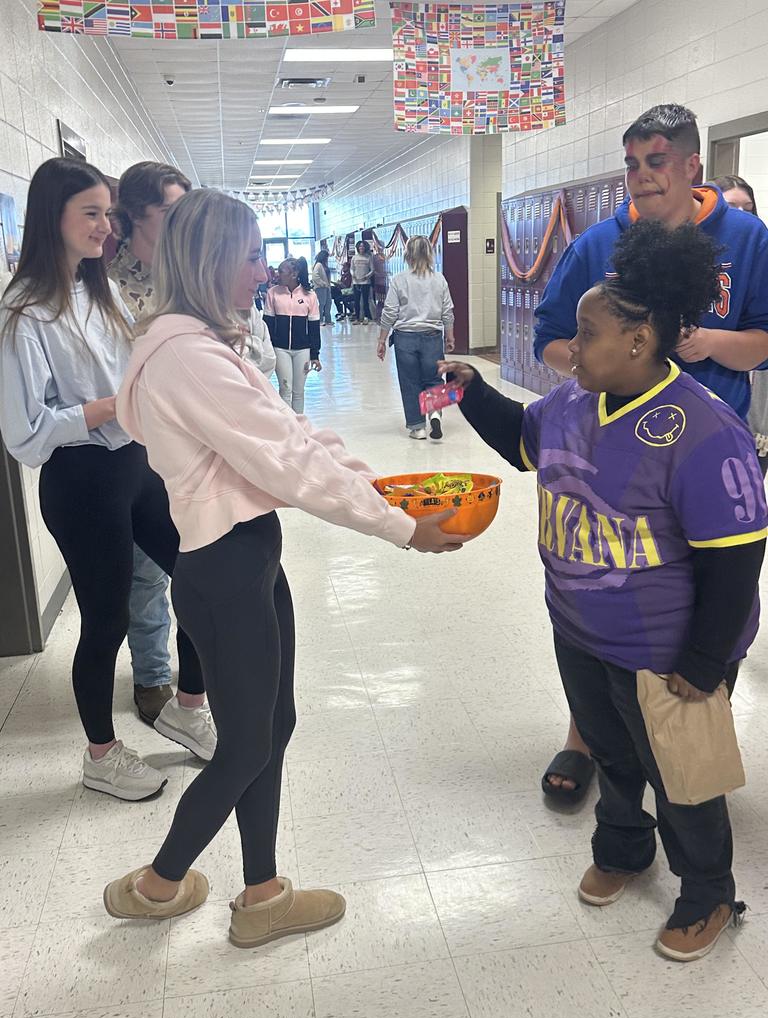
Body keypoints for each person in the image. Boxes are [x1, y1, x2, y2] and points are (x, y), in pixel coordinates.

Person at [104, 188, 470, 946]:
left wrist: (378, 489)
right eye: (249, 256)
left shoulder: (206, 345)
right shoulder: (185, 356)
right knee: (246, 743)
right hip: (224, 568)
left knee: (274, 725)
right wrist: (401, 527)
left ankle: (263, 892)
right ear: (207, 261)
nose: (263, 271)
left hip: (248, 557)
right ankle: (158, 885)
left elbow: (293, 432)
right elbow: (287, 461)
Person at [444, 218, 767, 962]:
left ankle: (709, 890)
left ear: (639, 341)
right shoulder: (572, 403)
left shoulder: (702, 430)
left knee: (681, 778)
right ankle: (623, 848)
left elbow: (735, 560)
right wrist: (474, 393)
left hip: (664, 651)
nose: (569, 346)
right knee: (615, 757)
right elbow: (524, 441)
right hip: (580, 630)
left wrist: (704, 661)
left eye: (586, 334)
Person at [533, 104, 768, 802]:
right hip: (614, 461)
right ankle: (588, 736)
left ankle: (691, 745)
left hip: (707, 458)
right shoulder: (597, 245)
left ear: (693, 165)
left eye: (656, 161)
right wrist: (599, 370)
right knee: (603, 591)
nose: (641, 176)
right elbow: (551, 339)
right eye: (632, 163)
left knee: (710, 599)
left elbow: (764, 338)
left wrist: (707, 345)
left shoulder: (745, 239)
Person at [0, 158, 216, 801]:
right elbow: (24, 433)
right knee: (106, 619)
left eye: (107, 214)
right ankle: (101, 754)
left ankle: (188, 706)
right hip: (81, 479)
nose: (104, 227)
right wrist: (107, 407)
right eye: (90, 214)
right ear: (53, 218)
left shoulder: (102, 292)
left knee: (201, 580)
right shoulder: (23, 313)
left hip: (136, 463)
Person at [108, 160, 191, 724]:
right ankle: (153, 677)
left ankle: (198, 671)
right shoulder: (106, 285)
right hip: (137, 446)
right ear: (137, 213)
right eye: (169, 210)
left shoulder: (188, 273)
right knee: (146, 574)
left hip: (193, 444)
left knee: (198, 564)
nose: (181, 220)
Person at [712, 174, 768, 476]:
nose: (742, 217)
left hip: (750, 407)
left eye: (749, 209)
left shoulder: (758, 257)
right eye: (732, 207)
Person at [377, 235, 456, 440]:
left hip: (405, 337)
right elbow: (447, 311)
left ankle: (418, 427)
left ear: (407, 255)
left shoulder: (399, 280)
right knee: (434, 378)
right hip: (432, 336)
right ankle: (435, 413)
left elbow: (389, 312)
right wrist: (450, 336)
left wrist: (381, 340)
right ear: (429, 253)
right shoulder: (439, 279)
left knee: (410, 381)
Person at [264, 256, 321, 414]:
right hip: (280, 349)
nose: (277, 274)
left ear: (294, 274)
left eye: (281, 271)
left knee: (298, 392)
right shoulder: (272, 293)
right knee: (285, 389)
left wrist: (315, 354)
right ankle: (287, 425)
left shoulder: (310, 296)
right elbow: (267, 325)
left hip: (303, 350)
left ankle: (299, 425)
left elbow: (314, 328)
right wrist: (267, 348)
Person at [351, 240, 373, 324]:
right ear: (357, 247)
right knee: (356, 301)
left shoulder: (368, 257)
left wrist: (367, 276)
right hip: (356, 282)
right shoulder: (354, 257)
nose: (361, 248)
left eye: (363, 246)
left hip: (365, 282)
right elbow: (351, 269)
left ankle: (366, 317)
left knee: (365, 301)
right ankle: (357, 318)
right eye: (360, 246)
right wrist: (353, 275)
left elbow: (372, 270)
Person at [312, 250, 333, 326]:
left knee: (328, 303)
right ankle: (320, 320)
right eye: (326, 257)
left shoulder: (324, 265)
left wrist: (327, 285)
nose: (327, 258)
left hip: (326, 287)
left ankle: (328, 320)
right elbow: (315, 276)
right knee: (321, 304)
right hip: (320, 288)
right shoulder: (318, 265)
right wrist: (323, 284)